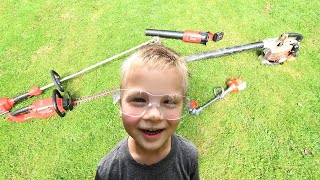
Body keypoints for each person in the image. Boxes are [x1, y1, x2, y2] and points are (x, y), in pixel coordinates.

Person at [95, 43, 199, 180]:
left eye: (168, 101)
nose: (154, 115)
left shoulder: (188, 155)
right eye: (139, 100)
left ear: (182, 107)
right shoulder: (108, 172)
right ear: (121, 105)